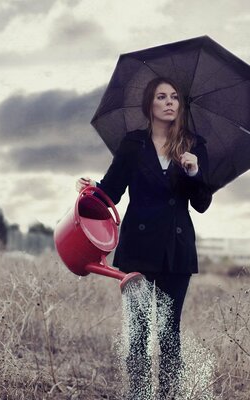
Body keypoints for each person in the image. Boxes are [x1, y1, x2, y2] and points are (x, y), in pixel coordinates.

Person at [75, 76, 212, 399]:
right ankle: (138, 395)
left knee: (168, 333)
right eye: (161, 96)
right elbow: (111, 192)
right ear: (149, 104)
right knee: (137, 332)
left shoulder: (194, 145)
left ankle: (167, 396)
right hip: (137, 249)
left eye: (175, 97)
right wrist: (89, 189)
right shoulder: (132, 144)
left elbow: (202, 204)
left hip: (175, 251)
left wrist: (194, 172)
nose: (169, 102)